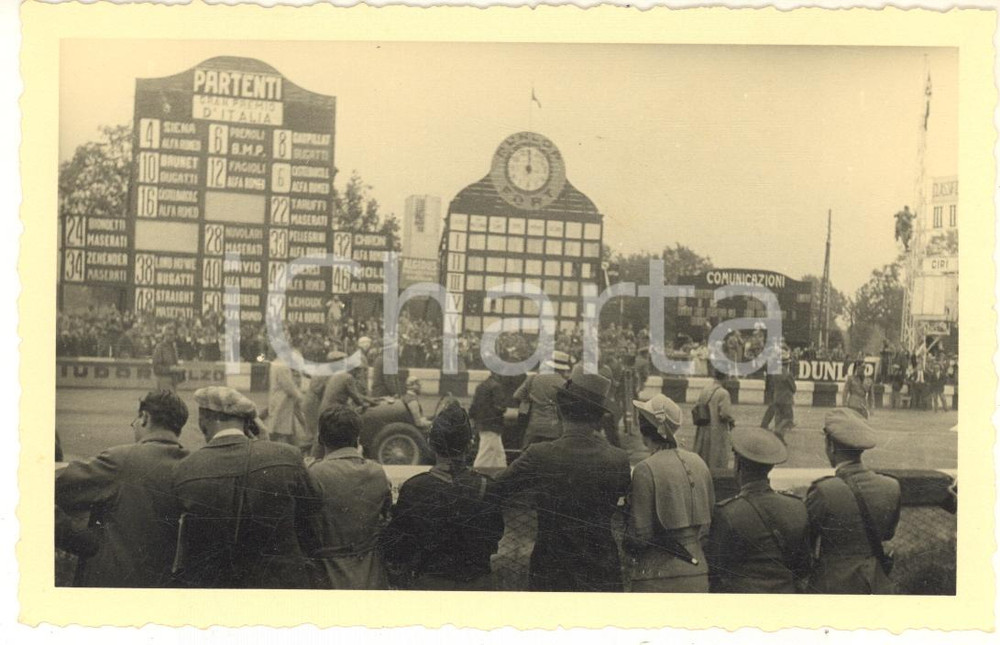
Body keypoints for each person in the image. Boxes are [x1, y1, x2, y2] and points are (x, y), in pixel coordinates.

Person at [171, 386, 325, 588]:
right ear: (248, 424)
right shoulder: (287, 455)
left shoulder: (186, 468)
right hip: (280, 585)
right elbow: (314, 505)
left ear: (203, 421)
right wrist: (267, 444)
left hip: (217, 587)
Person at [492, 374, 631, 592]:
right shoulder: (618, 459)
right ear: (599, 417)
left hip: (550, 568)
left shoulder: (539, 454)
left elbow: (497, 487)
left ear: (559, 410)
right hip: (602, 568)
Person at [55, 390, 190, 587]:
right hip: (169, 588)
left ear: (145, 418)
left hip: (114, 586)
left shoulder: (121, 460)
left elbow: (54, 487)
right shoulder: (193, 464)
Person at [381, 402, 504, 590]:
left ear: (431, 444)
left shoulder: (414, 487)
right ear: (470, 444)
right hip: (477, 584)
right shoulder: (487, 486)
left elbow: (399, 545)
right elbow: (494, 536)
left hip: (429, 584)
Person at [625, 395, 714, 592]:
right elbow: (709, 523)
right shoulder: (699, 462)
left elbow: (640, 535)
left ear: (643, 430)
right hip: (698, 570)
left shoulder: (645, 469)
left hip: (657, 575)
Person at [806, 409, 901, 594]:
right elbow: (888, 534)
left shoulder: (824, 490)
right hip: (875, 583)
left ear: (831, 446)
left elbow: (805, 541)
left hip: (832, 583)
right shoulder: (891, 486)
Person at [706, 427, 811, 593]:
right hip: (785, 596)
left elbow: (716, 568)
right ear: (770, 467)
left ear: (738, 465)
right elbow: (803, 566)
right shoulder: (797, 507)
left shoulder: (728, 512)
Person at [309, 406, 392, 589]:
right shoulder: (377, 472)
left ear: (321, 439)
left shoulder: (314, 473)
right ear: (357, 438)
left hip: (327, 574)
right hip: (371, 571)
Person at [513, 351, 571, 448]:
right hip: (554, 429)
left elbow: (517, 396)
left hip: (534, 426)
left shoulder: (533, 378)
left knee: (530, 454)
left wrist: (530, 400)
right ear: (563, 369)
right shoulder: (564, 384)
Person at [694, 367, 735, 470]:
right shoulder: (723, 393)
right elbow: (725, 414)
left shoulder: (705, 390)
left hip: (703, 429)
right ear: (725, 377)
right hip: (717, 430)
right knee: (716, 458)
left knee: (703, 455)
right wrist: (732, 421)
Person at [469, 371, 508, 469]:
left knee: (498, 454)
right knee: (486, 452)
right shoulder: (496, 387)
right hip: (493, 424)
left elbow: (473, 406)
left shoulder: (481, 386)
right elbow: (500, 407)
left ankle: (501, 472)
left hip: (482, 423)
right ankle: (476, 472)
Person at [267, 347, 305, 446]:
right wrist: (299, 396)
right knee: (280, 427)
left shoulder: (276, 363)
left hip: (279, 397)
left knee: (285, 426)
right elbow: (288, 385)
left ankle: (294, 445)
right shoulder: (282, 366)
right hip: (283, 399)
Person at [760, 352, 796, 441]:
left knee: (778, 418)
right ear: (787, 364)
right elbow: (793, 388)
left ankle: (779, 439)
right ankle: (778, 431)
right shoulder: (788, 374)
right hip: (786, 399)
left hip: (776, 397)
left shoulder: (775, 374)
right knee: (789, 418)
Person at [151, 323, 184, 392]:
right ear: (164, 335)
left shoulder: (174, 347)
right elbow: (156, 368)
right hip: (163, 381)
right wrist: (170, 369)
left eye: (172, 335)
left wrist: (178, 369)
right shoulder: (159, 347)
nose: (171, 337)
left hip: (173, 381)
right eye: (168, 334)